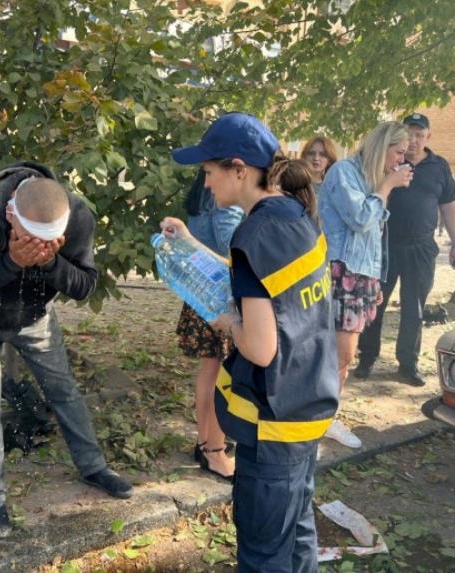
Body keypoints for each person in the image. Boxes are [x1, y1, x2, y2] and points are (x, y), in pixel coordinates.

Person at [162, 112, 339, 572]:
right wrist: (189, 246)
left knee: (263, 557)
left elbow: (259, 347)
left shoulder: (253, 234)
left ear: (238, 169)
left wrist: (224, 322)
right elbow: (264, 290)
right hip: (307, 406)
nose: (206, 185)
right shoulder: (296, 214)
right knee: (297, 534)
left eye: (209, 172)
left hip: (272, 423)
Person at [0, 162, 133, 541]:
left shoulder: (75, 214)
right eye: (31, 237)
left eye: (50, 241)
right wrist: (10, 263)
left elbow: (83, 286)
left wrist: (50, 263)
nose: (41, 245)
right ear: (11, 213)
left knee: (63, 390)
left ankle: (94, 467)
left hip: (35, 317)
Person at [318, 122, 413, 448]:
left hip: (361, 274)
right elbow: (360, 218)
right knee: (338, 355)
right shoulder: (345, 171)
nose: (401, 160)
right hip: (341, 272)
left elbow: (373, 231)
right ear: (382, 146)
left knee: (342, 356)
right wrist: (387, 186)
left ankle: (324, 417)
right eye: (398, 152)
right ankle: (318, 419)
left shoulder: (368, 178)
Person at [355, 113, 455, 386]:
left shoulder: (439, 167)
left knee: (414, 308)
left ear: (428, 137)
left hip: (422, 248)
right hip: (386, 245)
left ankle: (408, 365)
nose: (413, 141)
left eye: (419, 135)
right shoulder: (390, 162)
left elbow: (448, 206)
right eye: (408, 134)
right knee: (376, 303)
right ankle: (367, 358)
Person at [178, 168, 243, 481]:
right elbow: (235, 251)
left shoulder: (202, 194)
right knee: (222, 376)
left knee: (210, 371)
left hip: (202, 293)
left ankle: (206, 442)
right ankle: (214, 451)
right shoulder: (225, 202)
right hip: (220, 299)